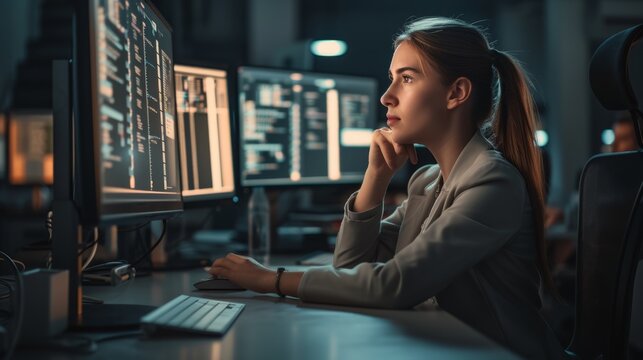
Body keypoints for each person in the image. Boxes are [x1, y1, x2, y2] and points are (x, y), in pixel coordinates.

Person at [210, 17, 564, 358]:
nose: (387, 97)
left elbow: (392, 286)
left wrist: (270, 278)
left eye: (406, 79)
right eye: (391, 79)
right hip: (450, 347)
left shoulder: (492, 181)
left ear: (456, 92)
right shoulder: (427, 182)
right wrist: (375, 177)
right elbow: (349, 267)